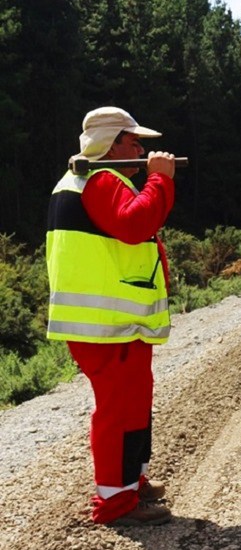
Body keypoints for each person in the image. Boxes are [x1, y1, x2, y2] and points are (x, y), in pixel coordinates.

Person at [46, 106, 178, 526]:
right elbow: (136, 224)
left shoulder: (84, 180)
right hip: (106, 326)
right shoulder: (101, 179)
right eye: (133, 140)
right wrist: (160, 179)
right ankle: (115, 503)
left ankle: (130, 483)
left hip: (114, 324)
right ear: (111, 144)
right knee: (119, 410)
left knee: (134, 404)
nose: (141, 148)